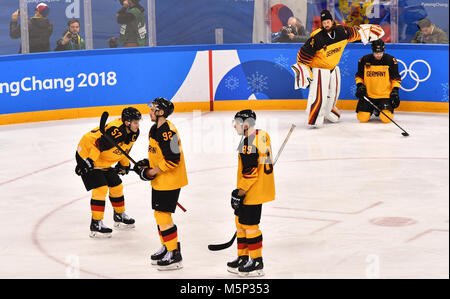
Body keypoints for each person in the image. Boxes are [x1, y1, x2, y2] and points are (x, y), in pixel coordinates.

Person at [292, 9, 384, 128]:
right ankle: (314, 118)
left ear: (332, 21)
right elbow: (304, 53)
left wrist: (367, 31)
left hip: (333, 67)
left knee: (334, 93)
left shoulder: (341, 31)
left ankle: (328, 111)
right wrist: (304, 69)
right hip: (320, 69)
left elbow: (355, 32)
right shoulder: (317, 37)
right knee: (319, 96)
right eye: (324, 22)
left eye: (328, 21)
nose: (326, 24)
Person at [133, 97, 188, 271]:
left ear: (161, 112)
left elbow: (173, 160)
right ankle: (167, 246)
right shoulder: (154, 129)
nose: (149, 112)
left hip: (170, 180)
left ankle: (174, 254)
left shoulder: (168, 132)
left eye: (153, 109)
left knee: (163, 216)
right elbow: (158, 154)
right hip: (161, 180)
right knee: (159, 215)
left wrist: (151, 172)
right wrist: (146, 164)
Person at [75, 107, 141, 238]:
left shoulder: (134, 132)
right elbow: (97, 145)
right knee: (101, 188)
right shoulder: (116, 131)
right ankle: (96, 223)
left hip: (103, 159)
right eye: (135, 122)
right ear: (127, 122)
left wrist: (124, 165)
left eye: (138, 122)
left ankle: (119, 215)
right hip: (88, 154)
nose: (138, 125)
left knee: (117, 185)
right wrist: (88, 162)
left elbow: (124, 148)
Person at [227, 109, 275, 277]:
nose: (235, 126)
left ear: (246, 124)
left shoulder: (249, 142)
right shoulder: (262, 135)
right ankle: (243, 257)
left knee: (250, 226)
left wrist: (239, 193)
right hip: (257, 188)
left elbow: (250, 172)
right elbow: (262, 162)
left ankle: (256, 261)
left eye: (237, 123)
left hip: (251, 191)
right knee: (240, 224)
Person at [354, 39, 402, 123]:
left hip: (384, 95)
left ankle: (379, 109)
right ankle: (373, 109)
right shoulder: (364, 60)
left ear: (384, 50)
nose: (379, 55)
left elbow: (396, 78)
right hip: (368, 95)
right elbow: (359, 76)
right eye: (376, 53)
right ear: (372, 51)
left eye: (381, 52)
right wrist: (359, 85)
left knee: (386, 119)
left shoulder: (390, 60)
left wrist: (395, 90)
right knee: (362, 118)